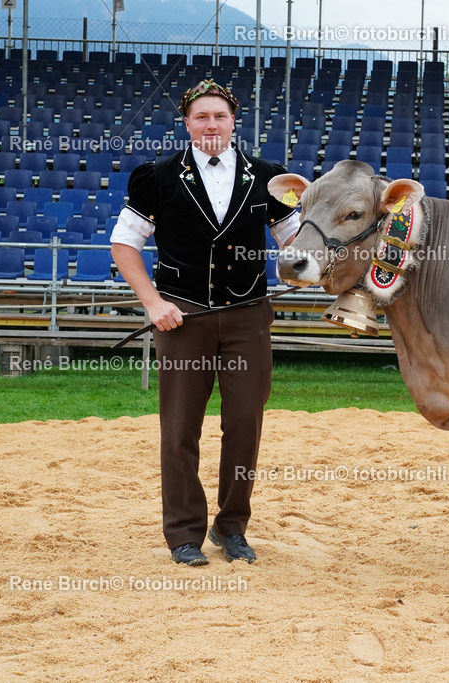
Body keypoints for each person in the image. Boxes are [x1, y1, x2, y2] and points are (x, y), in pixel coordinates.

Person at [111, 79, 300, 566]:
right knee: (179, 430)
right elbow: (124, 245)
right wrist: (153, 303)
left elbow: (295, 244)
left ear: (234, 120)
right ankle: (184, 534)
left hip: (248, 319)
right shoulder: (156, 175)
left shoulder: (269, 177)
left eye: (219, 116)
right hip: (181, 319)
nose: (211, 124)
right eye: (201, 117)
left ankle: (232, 527)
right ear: (188, 122)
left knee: (244, 426)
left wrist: (309, 270)